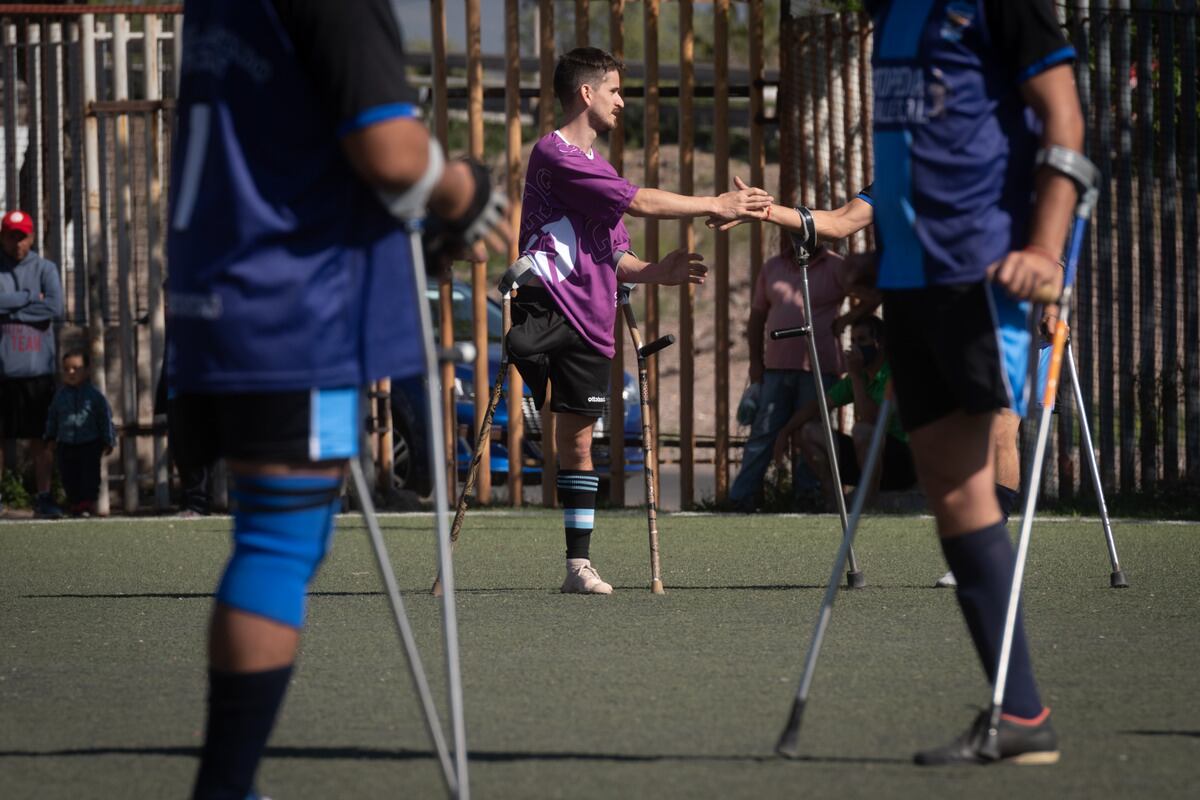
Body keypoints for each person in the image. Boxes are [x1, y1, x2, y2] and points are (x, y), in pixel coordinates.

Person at [166, 2, 509, 798]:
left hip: (220, 288)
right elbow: (388, 151)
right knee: (278, 546)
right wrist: (464, 190)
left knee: (268, 537)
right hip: (296, 307)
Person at [860, 0, 1083, 765]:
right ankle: (1020, 716)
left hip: (979, 270)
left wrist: (1047, 249)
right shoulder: (888, 8)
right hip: (910, 276)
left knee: (973, 472)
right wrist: (881, 251)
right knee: (949, 486)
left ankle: (1020, 713)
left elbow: (1064, 121)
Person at [510, 46, 772, 594]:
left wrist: (658, 271)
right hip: (547, 306)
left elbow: (614, 254)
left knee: (580, 444)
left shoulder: (596, 168)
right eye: (613, 90)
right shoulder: (554, 155)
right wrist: (713, 204)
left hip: (591, 317)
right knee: (561, 435)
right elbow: (638, 203)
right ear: (586, 94)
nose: (621, 101)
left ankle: (576, 566)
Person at [730, 235, 849, 511]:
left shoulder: (836, 267)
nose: (801, 238)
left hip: (818, 368)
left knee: (811, 432)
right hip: (776, 367)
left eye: (807, 230)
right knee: (763, 431)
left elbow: (870, 294)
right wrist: (755, 362)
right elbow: (757, 316)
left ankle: (810, 496)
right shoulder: (772, 267)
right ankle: (742, 497)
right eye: (794, 231)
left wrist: (847, 320)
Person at [772, 315, 915, 507]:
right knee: (807, 431)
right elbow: (818, 405)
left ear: (879, 343)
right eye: (853, 341)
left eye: (862, 340)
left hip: (900, 463)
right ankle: (835, 501)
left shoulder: (892, 374)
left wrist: (855, 376)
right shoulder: (860, 375)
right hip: (866, 459)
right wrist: (785, 431)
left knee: (862, 430)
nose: (855, 347)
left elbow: (871, 420)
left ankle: (869, 502)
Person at [0, 209, 64, 518]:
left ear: (32, 236)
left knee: (42, 441)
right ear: (2, 237)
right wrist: (28, 296)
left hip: (38, 371)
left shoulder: (46, 268)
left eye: (22, 237)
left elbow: (53, 306)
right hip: (3, 371)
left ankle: (44, 498)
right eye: (11, 237)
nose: (17, 243)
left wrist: (8, 308)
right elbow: (38, 304)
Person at [43, 348, 115, 516]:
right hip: (66, 444)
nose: (71, 373)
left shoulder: (95, 396)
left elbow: (104, 418)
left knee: (89, 477)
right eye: (66, 369)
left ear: (87, 370)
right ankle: (74, 503)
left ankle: (86, 504)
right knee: (68, 476)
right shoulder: (59, 396)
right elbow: (53, 417)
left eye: (76, 368)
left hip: (90, 443)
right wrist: (50, 437)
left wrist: (108, 439)